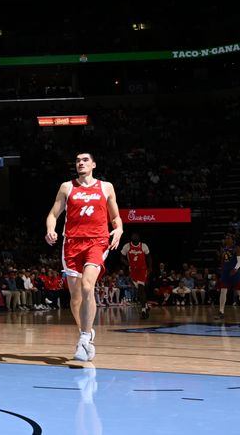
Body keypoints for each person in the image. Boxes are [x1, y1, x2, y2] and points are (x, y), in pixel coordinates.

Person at [45, 152, 123, 362]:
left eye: (85, 160)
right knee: (76, 298)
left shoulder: (106, 187)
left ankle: (84, 339)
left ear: (94, 164)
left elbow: (115, 218)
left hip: (97, 241)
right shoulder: (67, 187)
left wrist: (119, 230)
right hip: (71, 243)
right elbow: (53, 214)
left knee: (88, 286)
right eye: (78, 160)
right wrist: (50, 229)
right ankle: (85, 331)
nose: (80, 163)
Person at [215, 234, 240, 320]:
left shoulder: (236, 248)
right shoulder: (223, 249)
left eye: (228, 238)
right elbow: (222, 261)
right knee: (223, 291)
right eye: (226, 238)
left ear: (232, 240)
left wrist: (235, 269)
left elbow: (239, 262)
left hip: (234, 273)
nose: (227, 239)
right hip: (225, 273)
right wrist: (222, 269)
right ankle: (221, 312)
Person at [120, 233, 151, 318]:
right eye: (132, 235)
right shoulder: (127, 246)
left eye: (136, 236)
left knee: (141, 290)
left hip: (142, 269)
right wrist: (128, 264)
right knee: (139, 291)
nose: (134, 236)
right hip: (133, 270)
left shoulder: (143, 246)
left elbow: (149, 257)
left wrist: (150, 267)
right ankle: (146, 306)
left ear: (139, 238)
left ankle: (144, 311)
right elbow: (121, 258)